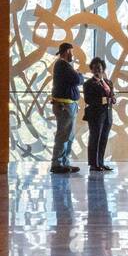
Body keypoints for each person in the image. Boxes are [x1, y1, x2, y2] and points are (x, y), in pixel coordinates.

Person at [50, 42, 84, 174]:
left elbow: (76, 79)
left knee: (69, 135)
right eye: (71, 51)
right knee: (63, 135)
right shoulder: (62, 65)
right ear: (67, 51)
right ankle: (57, 163)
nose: (72, 55)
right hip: (64, 106)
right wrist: (78, 75)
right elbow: (77, 79)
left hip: (69, 104)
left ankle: (64, 162)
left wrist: (77, 75)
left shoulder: (65, 66)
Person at [83, 57, 116, 173]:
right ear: (91, 70)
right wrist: (104, 100)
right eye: (95, 68)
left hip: (108, 114)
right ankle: (93, 164)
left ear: (103, 69)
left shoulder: (108, 82)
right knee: (94, 139)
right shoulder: (88, 84)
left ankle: (101, 162)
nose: (98, 70)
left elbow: (112, 95)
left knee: (103, 139)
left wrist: (113, 98)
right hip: (95, 115)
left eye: (100, 68)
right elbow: (87, 100)